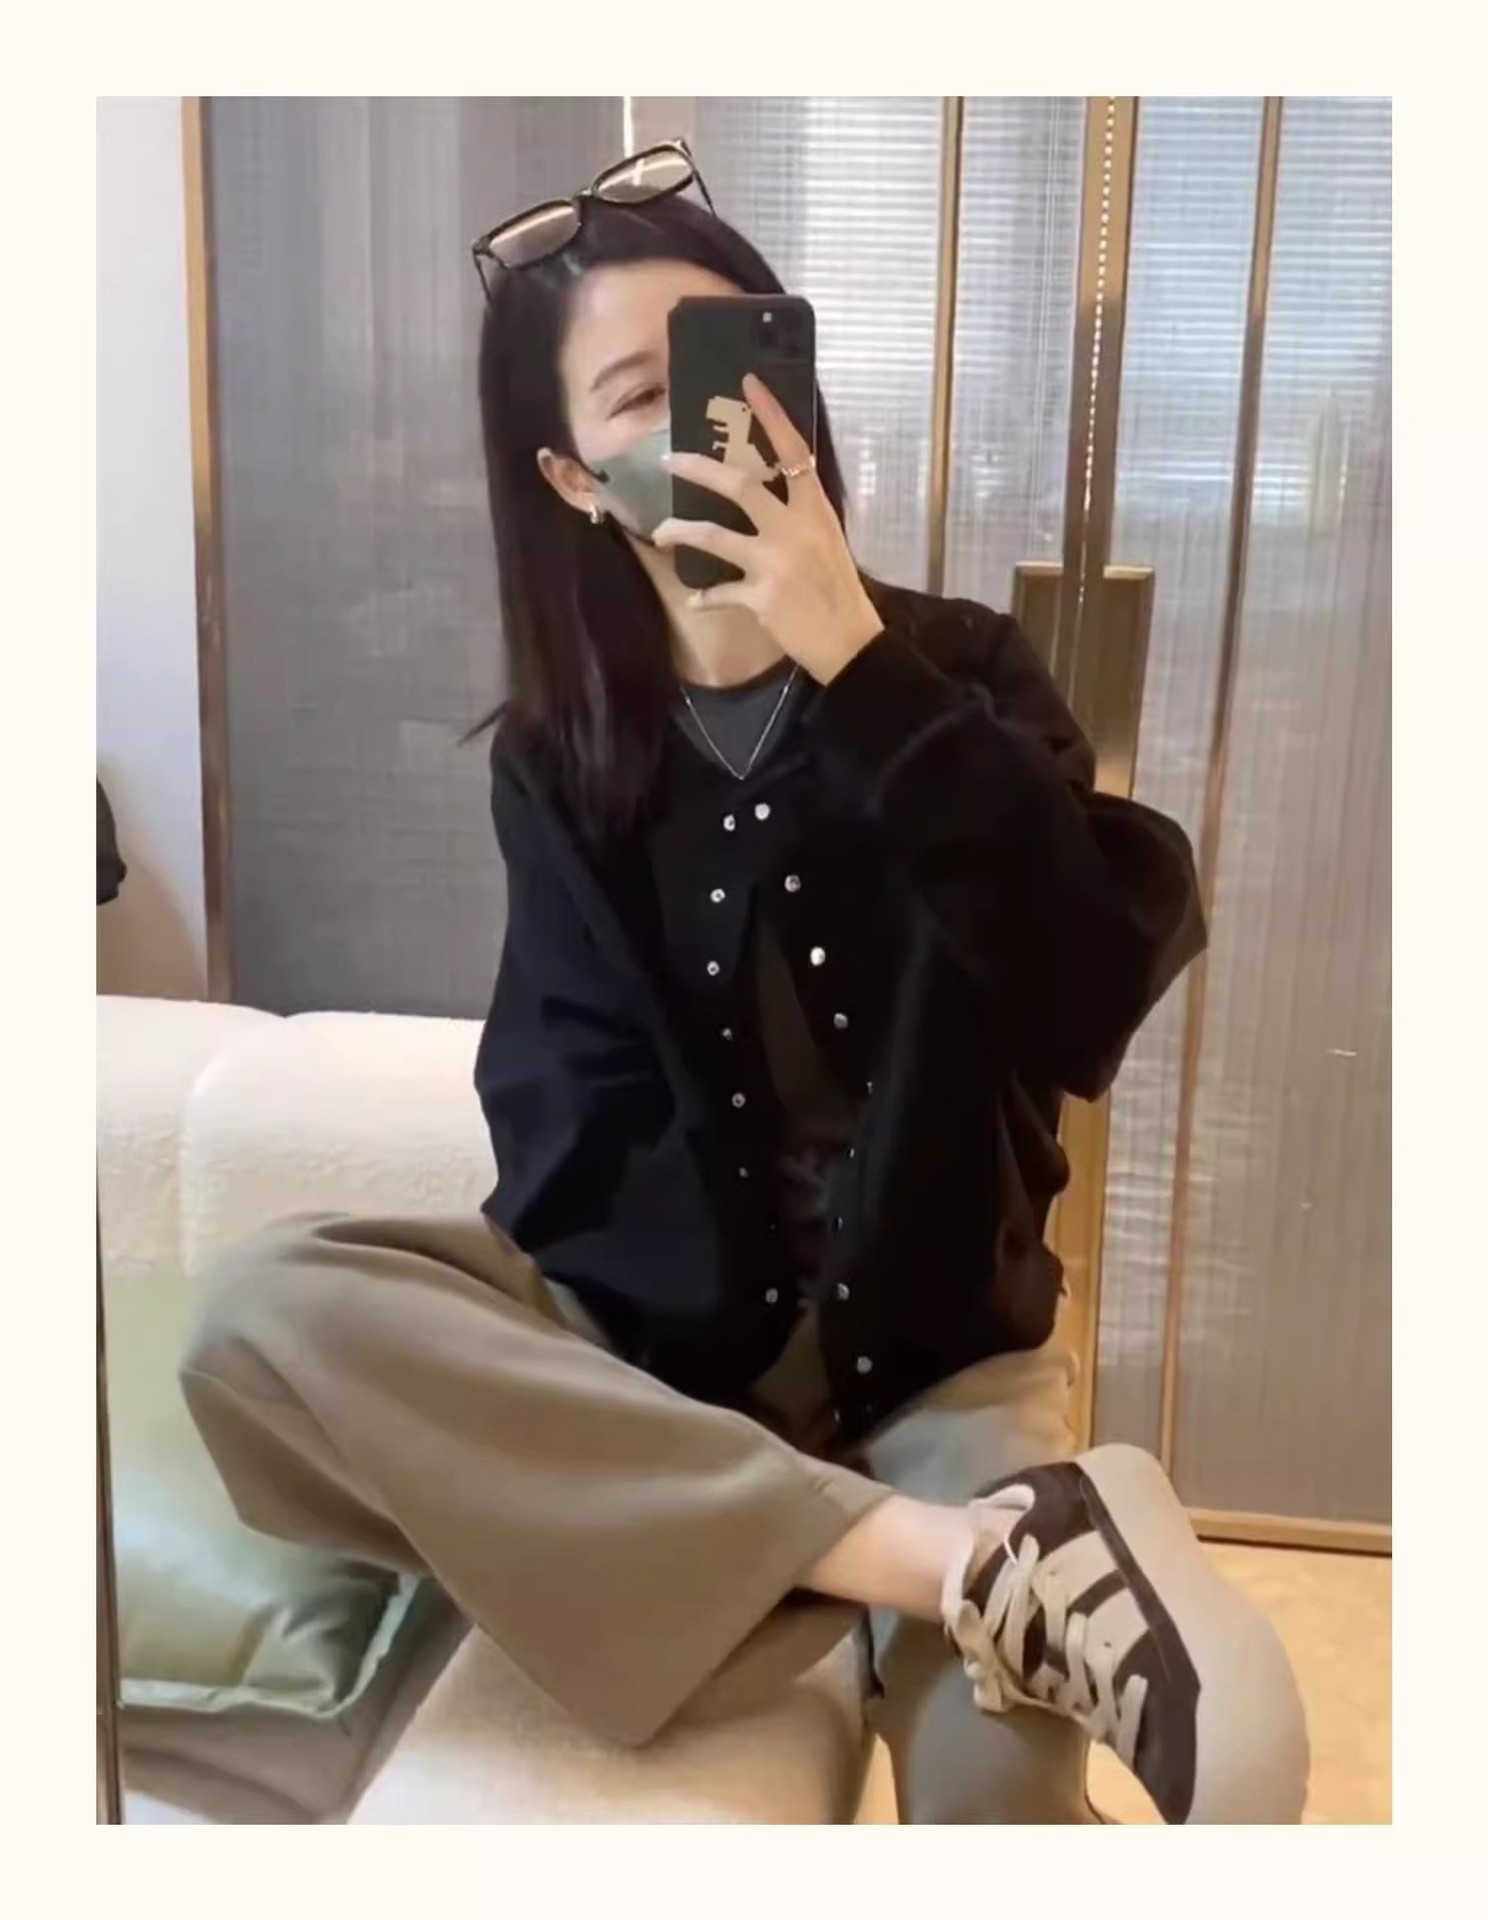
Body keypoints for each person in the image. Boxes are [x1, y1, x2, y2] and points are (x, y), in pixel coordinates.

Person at [182, 143, 1308, 1825]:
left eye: (739, 364)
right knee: (258, 1319)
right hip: (666, 1381)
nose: (717, 423)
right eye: (645, 395)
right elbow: (565, 1137)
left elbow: (1084, 993)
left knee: (991, 1811)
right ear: (572, 478)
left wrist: (859, 660)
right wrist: (684, 1419)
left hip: (939, 1369)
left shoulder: (960, 674)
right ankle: (956, 1563)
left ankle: (842, 1555)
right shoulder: (563, 764)